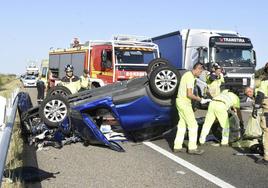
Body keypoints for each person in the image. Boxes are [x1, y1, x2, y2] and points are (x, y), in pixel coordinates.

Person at [173, 62, 211, 155]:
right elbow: (189, 94)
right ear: (197, 68)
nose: (200, 74)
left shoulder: (187, 75)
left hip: (180, 101)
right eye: (200, 72)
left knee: (182, 125)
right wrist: (200, 100)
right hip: (184, 103)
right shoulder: (190, 77)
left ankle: (177, 146)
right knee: (193, 126)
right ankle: (192, 148)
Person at [252, 76, 268, 165]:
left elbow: (260, 95)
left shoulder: (265, 82)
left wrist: (255, 108)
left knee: (267, 134)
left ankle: (267, 158)